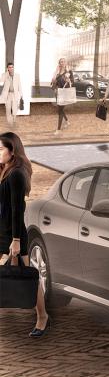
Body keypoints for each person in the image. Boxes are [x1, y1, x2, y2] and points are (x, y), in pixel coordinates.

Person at [1, 132, 47, 337]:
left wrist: (17, 241)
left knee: (28, 276)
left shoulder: (17, 174)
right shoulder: (5, 170)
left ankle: (42, 316)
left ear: (12, 151)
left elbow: (17, 209)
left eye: (1, 149)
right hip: (2, 231)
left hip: (14, 234)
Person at [51, 60, 73, 132]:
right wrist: (56, 71)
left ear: (66, 63)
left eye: (63, 61)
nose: (62, 63)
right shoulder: (57, 74)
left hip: (65, 93)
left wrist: (69, 81)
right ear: (59, 64)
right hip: (58, 93)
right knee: (60, 109)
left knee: (60, 110)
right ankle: (67, 121)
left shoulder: (69, 72)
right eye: (61, 62)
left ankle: (58, 129)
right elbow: (53, 82)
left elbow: (73, 82)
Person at [0, 63, 20, 127]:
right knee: (8, 109)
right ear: (7, 68)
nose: (11, 68)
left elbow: (19, 85)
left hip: (15, 94)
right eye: (9, 67)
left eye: (12, 67)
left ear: (13, 68)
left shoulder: (17, 75)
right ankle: (10, 123)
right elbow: (1, 82)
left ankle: (14, 120)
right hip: (7, 95)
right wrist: (6, 74)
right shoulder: (4, 75)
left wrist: (21, 95)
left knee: (15, 109)